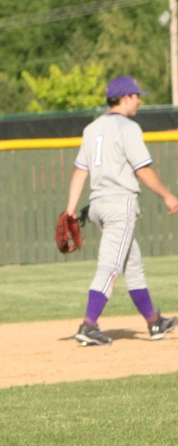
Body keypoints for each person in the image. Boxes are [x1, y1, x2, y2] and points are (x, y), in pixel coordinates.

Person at [66, 76, 178, 346]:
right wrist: (167, 195)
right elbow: (143, 170)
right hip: (120, 205)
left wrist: (69, 211)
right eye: (137, 95)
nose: (139, 99)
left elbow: (81, 171)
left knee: (132, 264)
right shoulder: (129, 128)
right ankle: (89, 325)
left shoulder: (91, 129)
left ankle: (154, 323)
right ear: (125, 97)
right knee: (111, 266)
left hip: (98, 205)